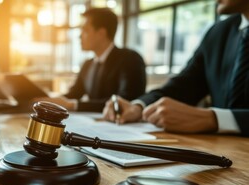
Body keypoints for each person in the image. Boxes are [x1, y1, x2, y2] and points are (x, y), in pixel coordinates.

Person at [102, 0, 249, 136]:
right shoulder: (219, 32)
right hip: (225, 152)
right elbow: (183, 86)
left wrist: (214, 119)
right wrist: (138, 107)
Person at [37, 8, 146, 112]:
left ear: (101, 33)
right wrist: (47, 100)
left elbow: (126, 101)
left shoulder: (130, 59)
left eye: (85, 30)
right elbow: (74, 94)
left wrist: (72, 105)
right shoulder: (88, 64)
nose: (79, 36)